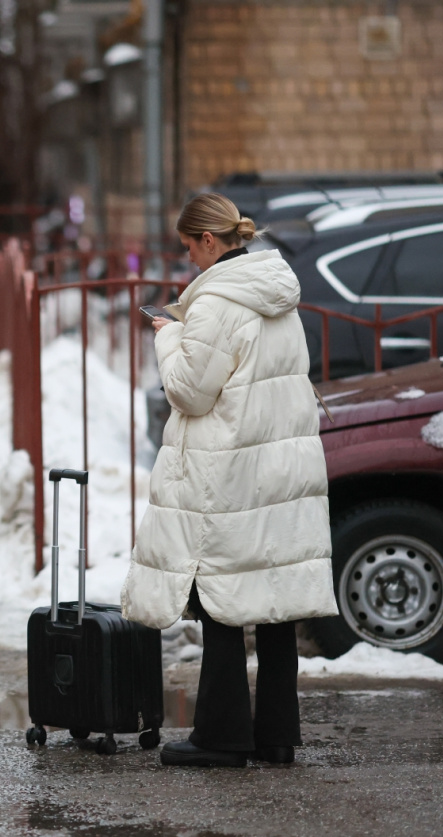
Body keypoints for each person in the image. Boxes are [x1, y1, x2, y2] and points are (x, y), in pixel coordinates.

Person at [121, 192, 339, 768]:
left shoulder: (216, 300)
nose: (188, 258)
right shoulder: (275, 291)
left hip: (232, 470)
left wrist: (168, 335)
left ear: (209, 240)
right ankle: (276, 736)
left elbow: (189, 392)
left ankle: (222, 737)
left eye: (189, 246)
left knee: (218, 596)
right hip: (280, 466)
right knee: (272, 599)